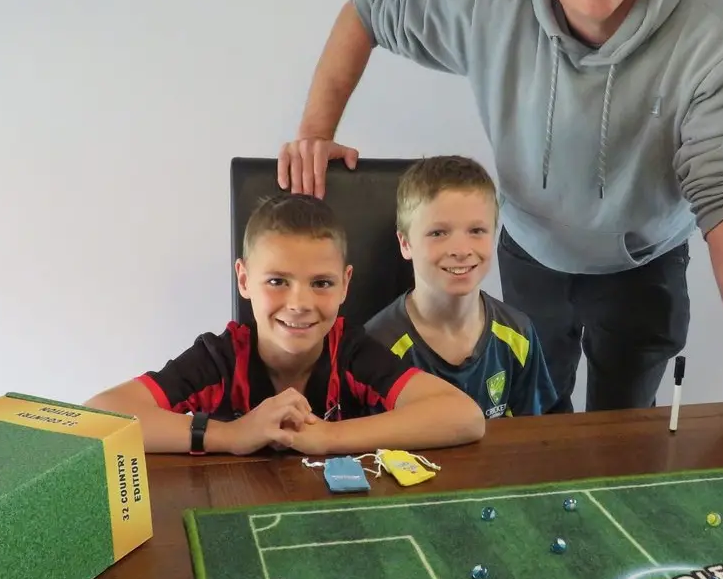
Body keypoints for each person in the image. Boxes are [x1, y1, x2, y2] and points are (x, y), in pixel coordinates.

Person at [275, 0, 723, 415]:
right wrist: (314, 131)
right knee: (532, 429)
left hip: (642, 265)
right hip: (532, 256)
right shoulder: (491, 9)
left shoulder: (713, 33)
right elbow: (368, 12)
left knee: (623, 437)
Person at [84, 194, 486, 455]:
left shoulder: (352, 352)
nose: (299, 304)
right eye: (277, 281)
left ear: (345, 284)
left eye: (321, 284)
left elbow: (463, 415)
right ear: (244, 280)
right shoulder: (219, 358)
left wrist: (329, 437)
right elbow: (99, 415)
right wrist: (230, 435)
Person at [365, 155, 558, 418]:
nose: (460, 250)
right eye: (438, 233)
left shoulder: (518, 334)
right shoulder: (377, 347)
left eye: (477, 230)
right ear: (405, 243)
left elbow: (532, 437)